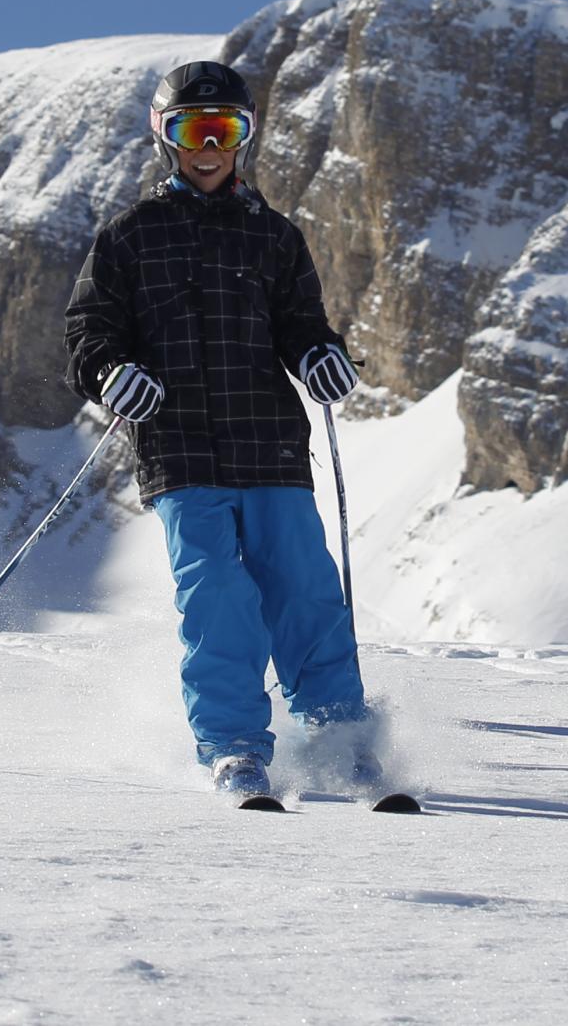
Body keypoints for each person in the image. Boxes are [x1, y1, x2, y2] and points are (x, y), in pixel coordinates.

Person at [63, 60, 375, 802]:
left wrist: (320, 357)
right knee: (218, 598)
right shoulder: (130, 237)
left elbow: (302, 324)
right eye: (192, 130)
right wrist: (111, 373)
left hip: (269, 443)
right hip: (180, 449)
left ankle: (341, 737)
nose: (209, 146)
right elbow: (89, 333)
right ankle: (234, 746)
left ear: (245, 137)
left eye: (224, 129)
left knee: (304, 588)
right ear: (165, 139)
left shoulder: (274, 237)